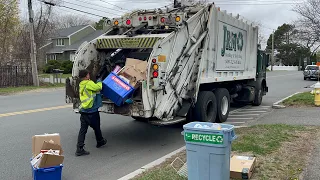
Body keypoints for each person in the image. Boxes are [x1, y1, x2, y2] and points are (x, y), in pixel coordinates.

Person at [76, 69, 107, 156]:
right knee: (96, 127)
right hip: (91, 110)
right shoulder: (89, 83)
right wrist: (100, 81)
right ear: (86, 76)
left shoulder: (81, 84)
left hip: (84, 111)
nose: (89, 75)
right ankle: (100, 141)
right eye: (88, 74)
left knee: (83, 130)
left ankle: (79, 148)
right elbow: (98, 87)